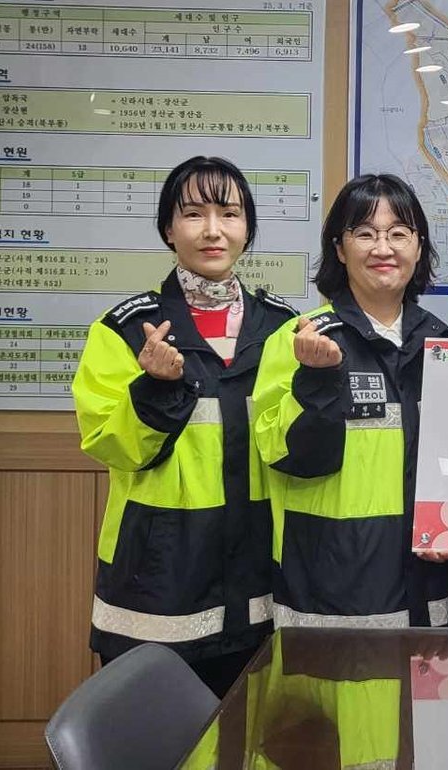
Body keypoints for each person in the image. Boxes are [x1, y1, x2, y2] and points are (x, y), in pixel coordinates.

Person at [72, 156, 297, 696]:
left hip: (259, 586)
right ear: (168, 230)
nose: (213, 230)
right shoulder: (126, 329)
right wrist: (153, 388)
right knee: (152, 735)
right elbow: (112, 445)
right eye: (194, 214)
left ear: (247, 228)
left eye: (229, 213)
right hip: (156, 587)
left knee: (251, 735)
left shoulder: (285, 329)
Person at [252, 173, 448, 629]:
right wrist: (316, 380)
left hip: (428, 593)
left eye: (398, 234)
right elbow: (285, 455)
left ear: (419, 248)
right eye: (365, 233)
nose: (383, 248)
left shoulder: (446, 347)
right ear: (340, 249)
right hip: (328, 595)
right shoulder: (299, 339)